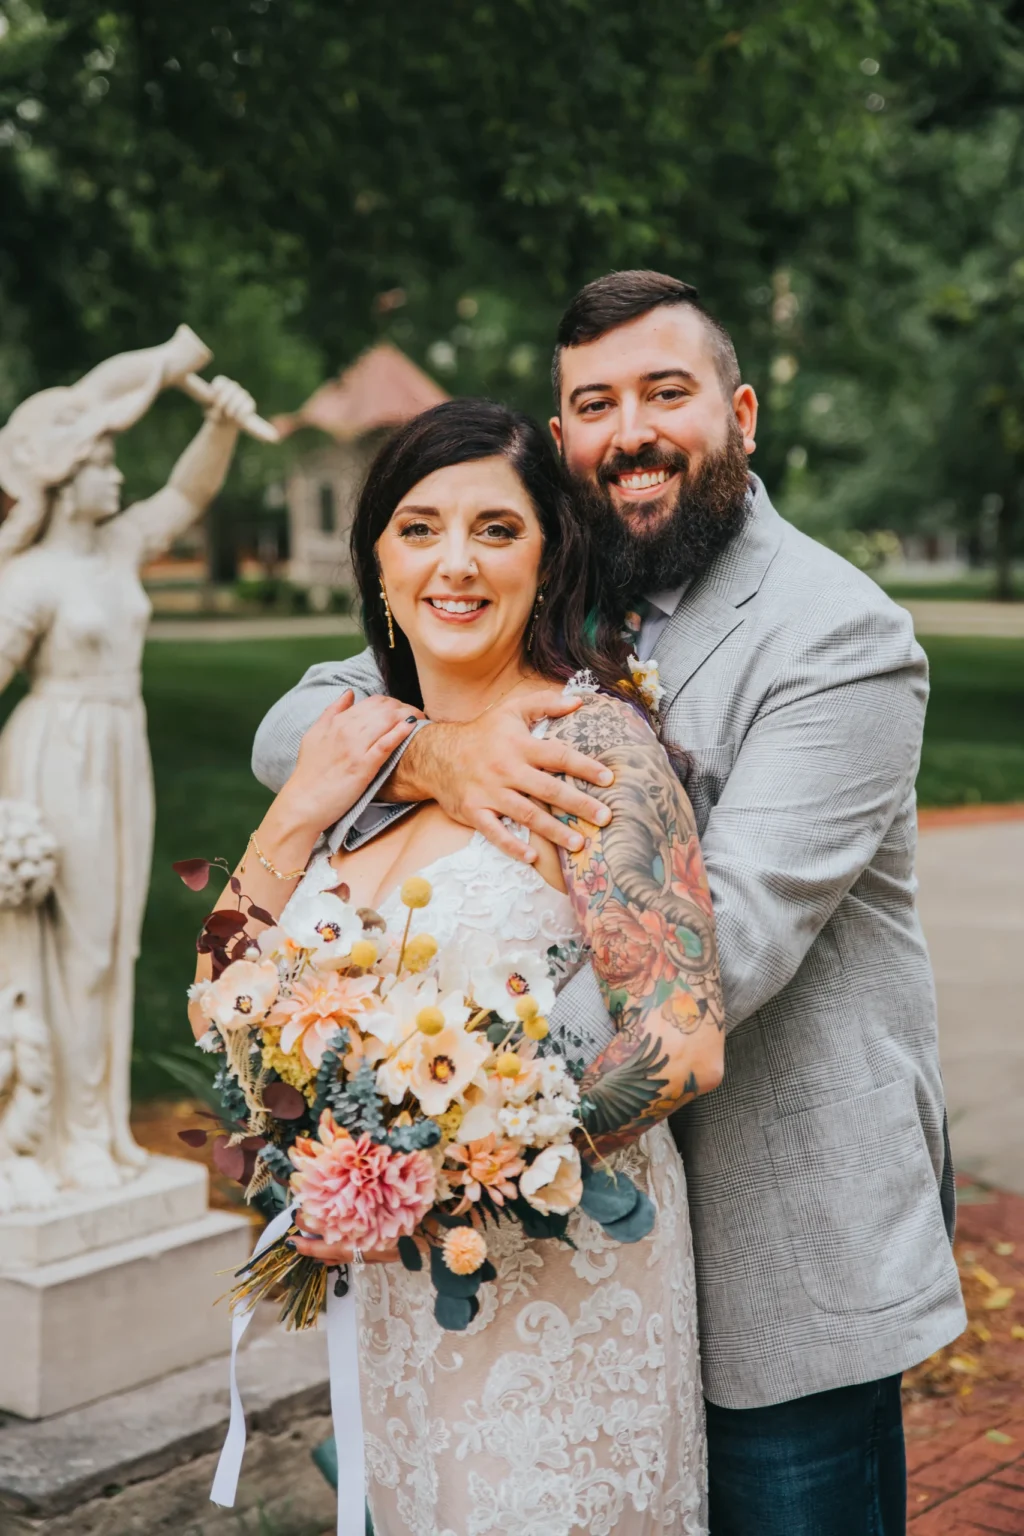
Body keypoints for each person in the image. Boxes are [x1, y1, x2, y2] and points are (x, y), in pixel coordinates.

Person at [253, 271, 967, 1536]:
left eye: (666, 393)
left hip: (771, 1233)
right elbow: (291, 722)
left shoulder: (837, 638)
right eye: (593, 402)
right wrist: (433, 753)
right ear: (564, 436)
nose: (629, 429)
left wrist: (404, 1118)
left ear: (741, 414)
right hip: (543, 1250)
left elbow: (723, 947)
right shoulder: (553, 576)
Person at [196, 398, 725, 1534]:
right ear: (377, 559)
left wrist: (423, 1180)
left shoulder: (593, 753)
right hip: (395, 1319)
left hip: (567, 1304)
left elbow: (680, 1041)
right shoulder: (362, 753)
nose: (454, 562)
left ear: (550, 560)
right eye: (419, 527)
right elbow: (227, 1004)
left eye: (496, 530)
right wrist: (294, 812)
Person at [0, 330, 256, 1197]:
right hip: (55, 750)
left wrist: (219, 424)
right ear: (67, 478)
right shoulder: (28, 578)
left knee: (112, 947)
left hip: (119, 744)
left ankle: (101, 1133)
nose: (119, 476)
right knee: (76, 950)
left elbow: (186, 493)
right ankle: (59, 1135)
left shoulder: (115, 551)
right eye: (105, 461)